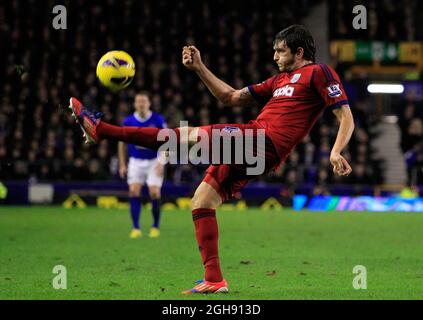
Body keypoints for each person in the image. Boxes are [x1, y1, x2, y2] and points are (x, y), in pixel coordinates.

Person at [68, 25, 354, 294]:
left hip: (262, 141)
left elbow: (346, 117)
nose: (275, 56)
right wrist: (199, 68)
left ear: (299, 52)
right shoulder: (278, 81)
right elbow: (229, 97)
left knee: (187, 134)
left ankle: (103, 130)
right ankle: (214, 279)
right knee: (202, 200)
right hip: (255, 148)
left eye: (280, 51)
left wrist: (335, 150)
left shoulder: (320, 72)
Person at [118, 92, 166, 239]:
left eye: (144, 101)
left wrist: (161, 162)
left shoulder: (158, 120)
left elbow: (167, 141)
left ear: (149, 103)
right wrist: (122, 164)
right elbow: (121, 143)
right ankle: (136, 228)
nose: (141, 104)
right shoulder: (128, 121)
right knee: (133, 191)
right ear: (134, 104)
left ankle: (155, 226)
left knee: (154, 193)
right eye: (138, 101)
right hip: (135, 161)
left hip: (153, 161)